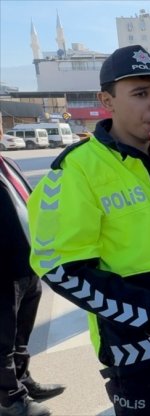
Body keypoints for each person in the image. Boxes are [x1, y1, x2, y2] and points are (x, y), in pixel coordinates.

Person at [27, 45, 150, 415]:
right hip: (141, 348)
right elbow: (59, 268)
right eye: (140, 93)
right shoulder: (76, 171)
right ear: (107, 101)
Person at [1, 154, 65, 416]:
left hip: (28, 262)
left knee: (21, 334)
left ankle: (22, 379)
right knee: (2, 339)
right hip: (3, 268)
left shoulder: (8, 162)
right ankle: (9, 400)